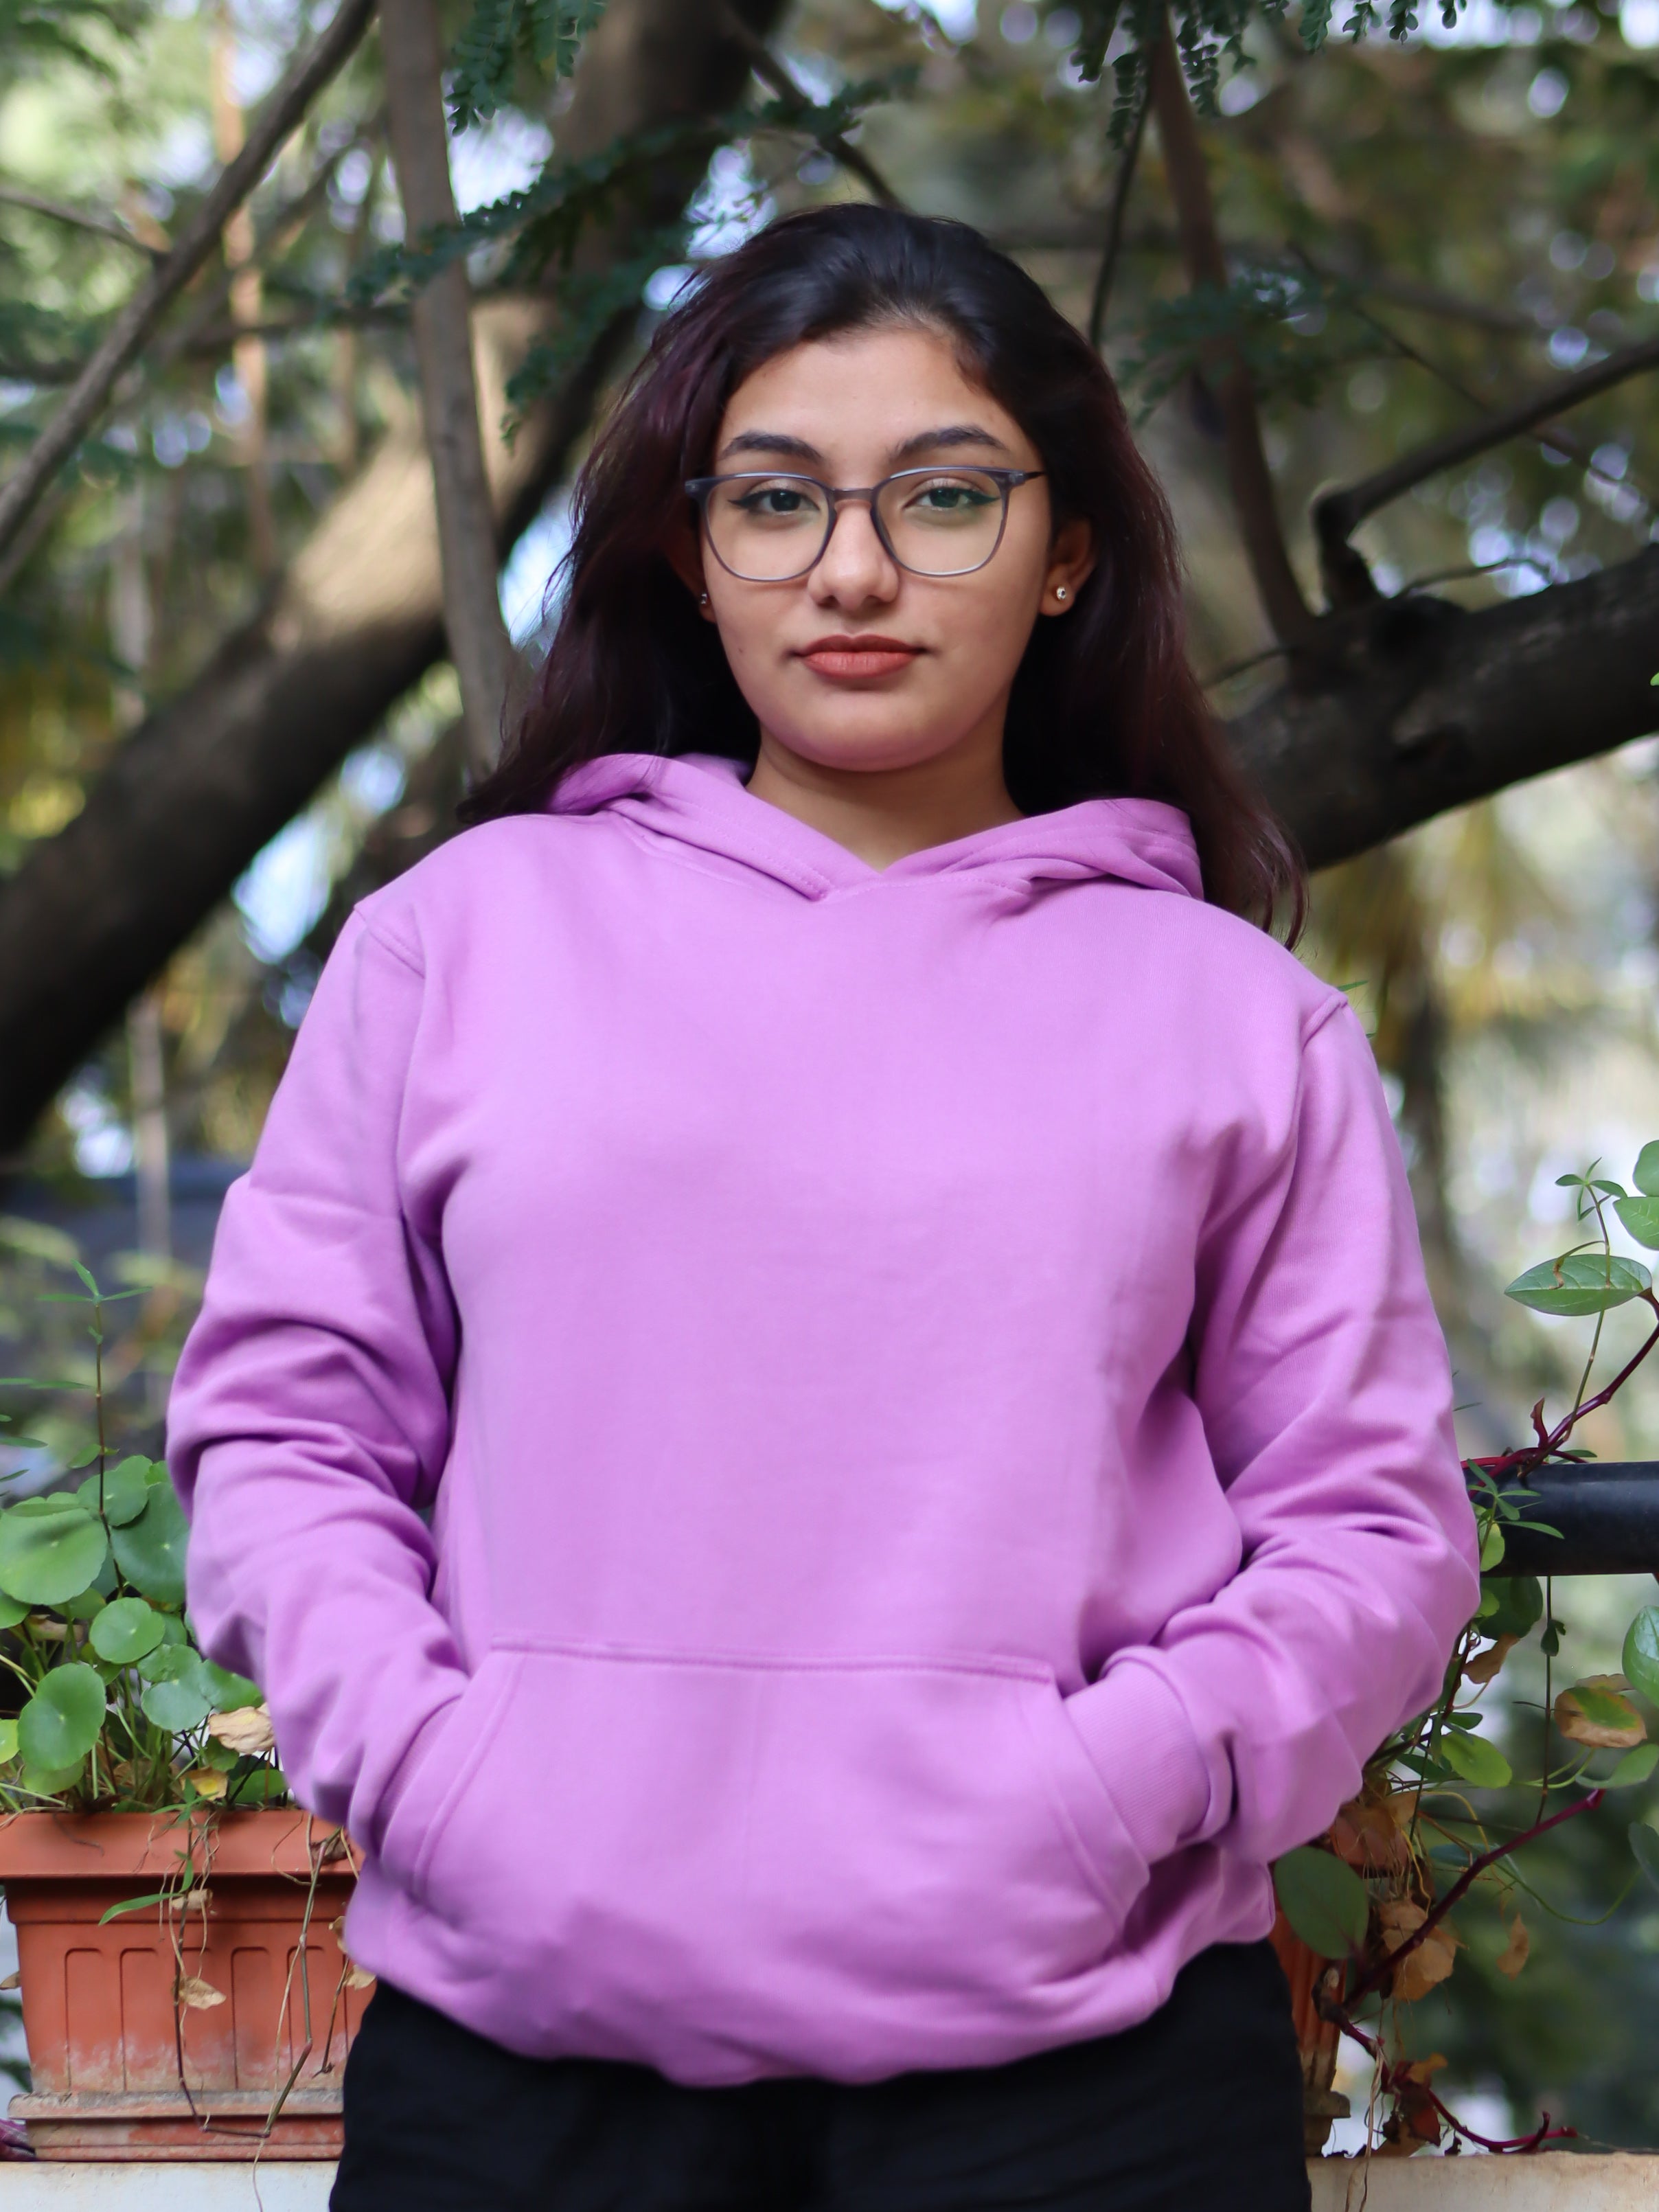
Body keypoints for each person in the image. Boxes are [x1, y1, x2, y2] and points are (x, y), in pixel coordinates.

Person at [166, 205, 1481, 2211]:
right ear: (693, 550)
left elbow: (1372, 1537)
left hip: (1085, 2087)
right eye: (777, 499)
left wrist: (1115, 1786)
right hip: (531, 2077)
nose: (852, 566)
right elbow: (284, 1431)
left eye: (945, 496)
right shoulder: (461, 941)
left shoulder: (1234, 1017)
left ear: (1068, 555)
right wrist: (442, 1778)